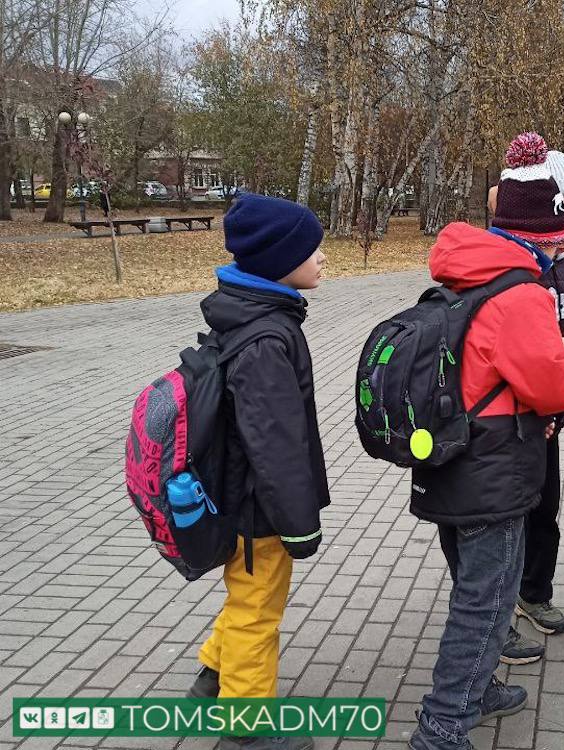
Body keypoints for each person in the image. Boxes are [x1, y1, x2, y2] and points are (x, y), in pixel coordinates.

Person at [408, 133, 564, 750]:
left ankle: (479, 686)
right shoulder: (519, 294)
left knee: (476, 586)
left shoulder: (465, 277)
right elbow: (550, 384)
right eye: (557, 240)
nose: (562, 249)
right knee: (487, 600)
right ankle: (443, 726)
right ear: (537, 238)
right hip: (491, 469)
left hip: (449, 459)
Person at [187, 193, 330, 750]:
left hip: (243, 495)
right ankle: (246, 729)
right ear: (278, 260)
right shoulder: (267, 337)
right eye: (311, 249)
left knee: (247, 597)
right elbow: (275, 443)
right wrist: (299, 522)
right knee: (257, 611)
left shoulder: (253, 315)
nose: (322, 257)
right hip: (259, 507)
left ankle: (214, 675)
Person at [513, 150, 564, 641]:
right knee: (509, 511)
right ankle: (495, 605)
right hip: (515, 416)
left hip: (551, 413)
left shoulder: (563, 265)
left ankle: (534, 591)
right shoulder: (519, 267)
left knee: (545, 506)